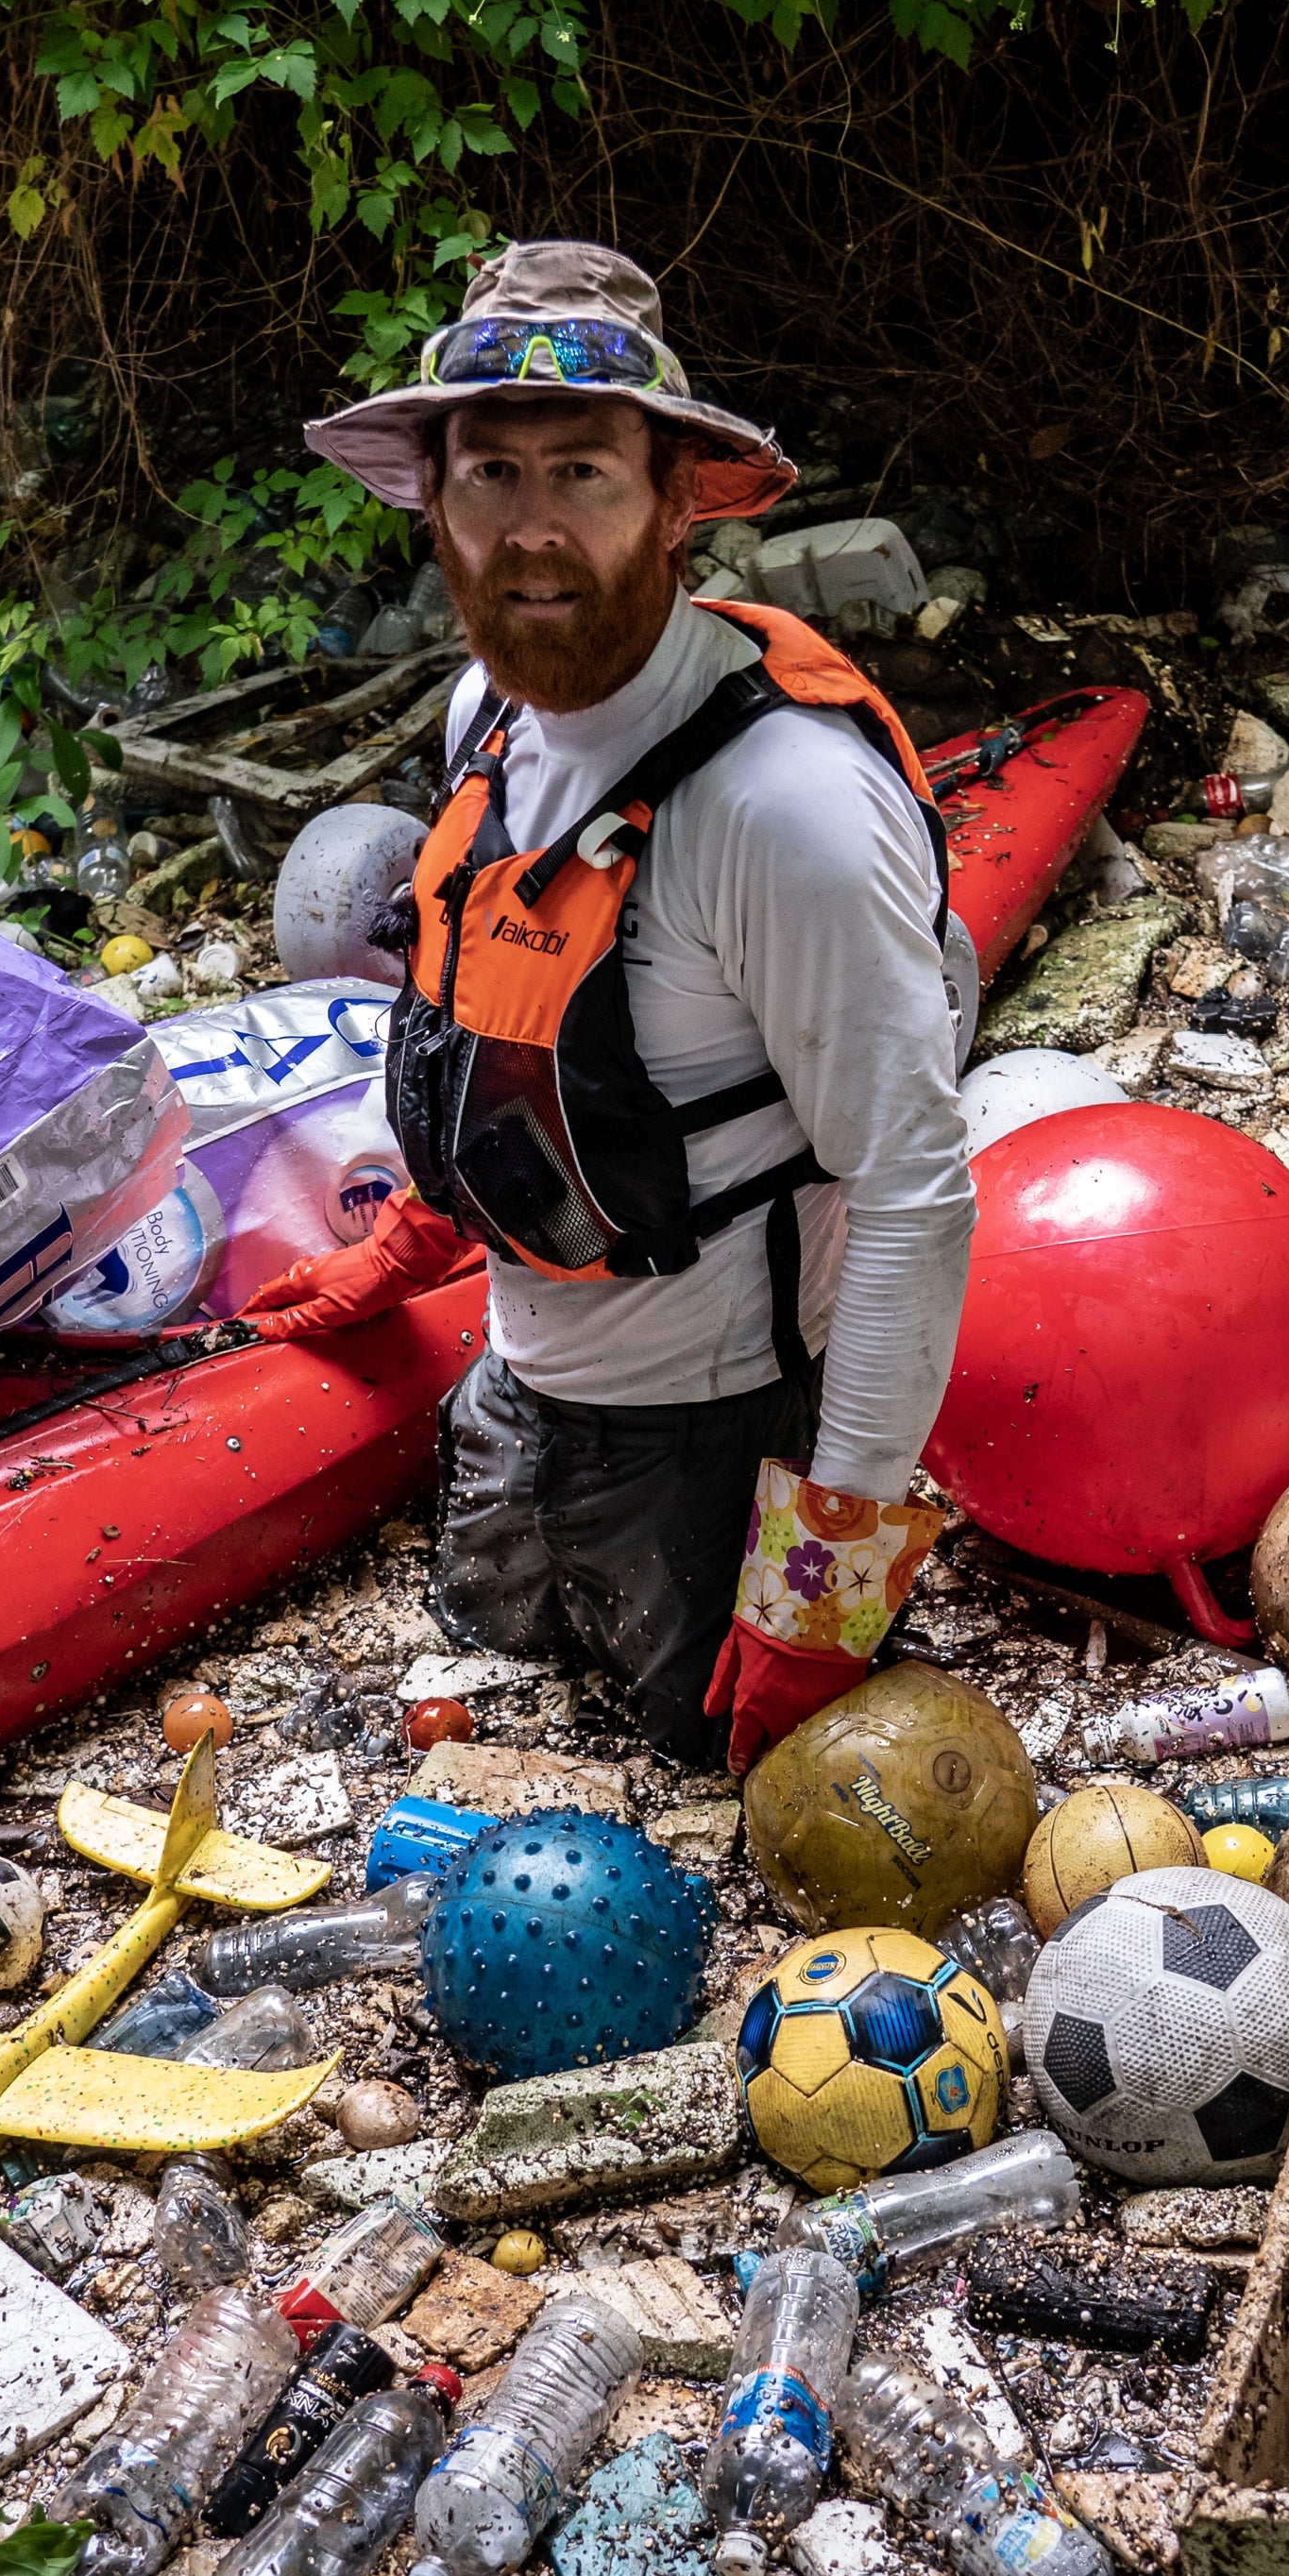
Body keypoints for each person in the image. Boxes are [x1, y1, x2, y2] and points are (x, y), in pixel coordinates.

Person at [240, 240, 975, 1774]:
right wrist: (415, 1237)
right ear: (431, 504)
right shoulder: (487, 715)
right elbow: (503, 1015)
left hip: (720, 1430)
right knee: (489, 1679)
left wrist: (824, 1590)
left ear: (678, 500)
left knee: (702, 1789)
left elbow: (914, 1191)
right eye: (491, 474)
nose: (534, 531)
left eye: (583, 470)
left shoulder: (784, 809)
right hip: (520, 1381)